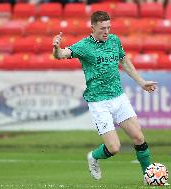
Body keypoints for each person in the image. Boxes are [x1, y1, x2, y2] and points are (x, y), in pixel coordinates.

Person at [52, 11, 157, 183]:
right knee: (114, 148)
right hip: (99, 102)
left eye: (109, 27)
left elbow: (124, 61)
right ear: (92, 27)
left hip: (118, 97)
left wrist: (141, 82)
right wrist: (56, 48)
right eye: (102, 28)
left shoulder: (114, 41)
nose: (106, 31)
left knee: (138, 137)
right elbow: (62, 55)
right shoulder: (84, 46)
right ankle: (93, 157)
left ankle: (148, 177)